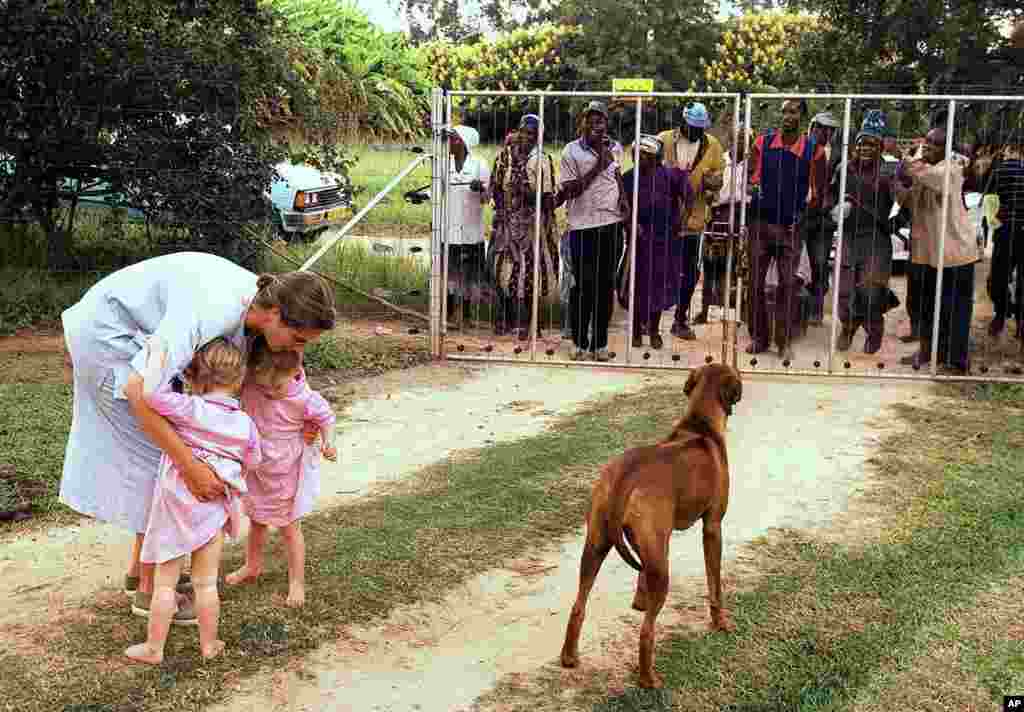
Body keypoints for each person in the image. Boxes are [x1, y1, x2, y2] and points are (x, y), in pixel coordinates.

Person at [60, 253, 335, 617]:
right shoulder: (209, 311)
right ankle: (150, 592)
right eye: (298, 339)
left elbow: (287, 377)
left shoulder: (263, 303)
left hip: (141, 333)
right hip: (108, 336)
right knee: (157, 461)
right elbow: (139, 392)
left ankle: (140, 572)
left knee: (164, 451)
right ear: (275, 314)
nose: (298, 351)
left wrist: (306, 415)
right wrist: (190, 466)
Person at [125, 337, 262, 664]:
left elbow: (150, 396)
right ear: (239, 380)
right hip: (212, 513)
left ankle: (154, 648)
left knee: (164, 584)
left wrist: (157, 356)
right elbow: (255, 460)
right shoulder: (245, 423)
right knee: (205, 583)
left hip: (174, 509)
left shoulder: (188, 408)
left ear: (194, 377)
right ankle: (209, 644)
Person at [226, 337, 337, 607]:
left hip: (286, 470)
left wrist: (328, 441)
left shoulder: (303, 396)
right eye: (264, 386)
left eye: (277, 386)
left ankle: (296, 582)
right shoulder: (253, 386)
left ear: (295, 374)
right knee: (257, 519)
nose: (271, 391)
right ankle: (252, 566)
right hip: (258, 467)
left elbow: (326, 417)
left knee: (289, 526)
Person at [746, 98, 829, 360]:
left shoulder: (813, 150)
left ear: (802, 116)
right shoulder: (762, 142)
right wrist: (752, 188)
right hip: (761, 223)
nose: (786, 116)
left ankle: (783, 341)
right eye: (783, 111)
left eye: (793, 112)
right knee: (755, 283)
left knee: (787, 285)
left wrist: (804, 215)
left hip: (791, 227)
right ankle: (759, 337)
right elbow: (751, 177)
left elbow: (818, 193)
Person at [896, 127, 980, 373]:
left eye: (934, 143)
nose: (928, 146)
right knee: (928, 307)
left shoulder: (951, 169)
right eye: (927, 142)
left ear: (946, 148)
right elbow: (913, 201)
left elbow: (933, 179)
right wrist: (899, 190)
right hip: (930, 254)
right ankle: (929, 352)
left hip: (956, 254)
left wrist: (909, 160)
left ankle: (957, 362)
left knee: (955, 311)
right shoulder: (927, 170)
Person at [558, 101, 630, 362]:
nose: (596, 125)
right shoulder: (571, 151)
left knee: (604, 286)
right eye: (591, 120)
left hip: (610, 224)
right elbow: (570, 190)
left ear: (606, 124)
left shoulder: (615, 148)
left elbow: (616, 175)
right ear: (583, 122)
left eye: (600, 121)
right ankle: (579, 342)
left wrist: (624, 200)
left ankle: (600, 344)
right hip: (582, 226)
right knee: (583, 286)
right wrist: (598, 165)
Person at [656, 103, 725, 340]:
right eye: (692, 127)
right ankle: (650, 321)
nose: (696, 132)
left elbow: (718, 178)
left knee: (689, 272)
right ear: (683, 122)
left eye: (700, 128)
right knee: (660, 269)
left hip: (693, 220)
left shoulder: (712, 145)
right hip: (663, 218)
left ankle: (680, 319)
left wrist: (711, 189)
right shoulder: (664, 140)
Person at [618, 135, 695, 348]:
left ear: (654, 157)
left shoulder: (670, 175)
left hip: (664, 240)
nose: (638, 158)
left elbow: (689, 195)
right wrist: (630, 225)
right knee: (636, 285)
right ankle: (635, 331)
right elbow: (622, 207)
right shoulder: (628, 178)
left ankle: (653, 331)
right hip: (639, 240)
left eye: (643, 154)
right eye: (636, 154)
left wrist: (682, 221)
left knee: (658, 286)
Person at [489, 115, 560, 341]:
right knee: (502, 271)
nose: (527, 137)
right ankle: (507, 320)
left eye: (532, 134)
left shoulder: (542, 160)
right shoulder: (504, 157)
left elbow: (548, 198)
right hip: (507, 223)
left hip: (533, 226)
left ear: (538, 137)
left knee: (531, 275)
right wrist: (501, 213)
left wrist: (526, 192)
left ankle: (532, 324)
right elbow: (496, 188)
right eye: (524, 132)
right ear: (517, 131)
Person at [832, 110, 898, 355]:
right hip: (849, 236)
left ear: (880, 147)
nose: (865, 148)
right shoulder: (843, 169)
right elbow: (830, 197)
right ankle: (848, 327)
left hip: (875, 238)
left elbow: (901, 203)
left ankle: (874, 330)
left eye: (871, 144)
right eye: (861, 143)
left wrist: (894, 224)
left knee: (870, 290)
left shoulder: (888, 172)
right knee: (845, 289)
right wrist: (835, 210)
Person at [975, 141, 1024, 339]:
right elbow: (989, 201)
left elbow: (988, 202)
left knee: (1001, 278)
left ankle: (1008, 315)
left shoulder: (998, 171)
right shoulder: (1000, 171)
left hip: (1006, 233)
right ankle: (1011, 316)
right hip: (1010, 232)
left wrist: (994, 225)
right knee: (1009, 279)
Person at [445, 125, 491, 326]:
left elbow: (487, 198)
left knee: (469, 274)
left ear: (463, 143)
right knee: (449, 274)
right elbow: (436, 191)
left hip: (471, 227)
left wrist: (480, 189)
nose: (449, 143)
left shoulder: (479, 164)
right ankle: (447, 316)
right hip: (448, 227)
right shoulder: (442, 164)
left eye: (453, 139)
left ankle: (466, 316)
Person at [802, 111, 842, 324]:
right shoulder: (802, 148)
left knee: (819, 262)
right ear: (813, 127)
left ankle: (816, 310)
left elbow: (839, 184)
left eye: (830, 130)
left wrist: (832, 202)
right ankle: (801, 308)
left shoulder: (838, 153)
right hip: (802, 215)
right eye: (821, 128)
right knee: (801, 263)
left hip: (824, 219)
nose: (825, 133)